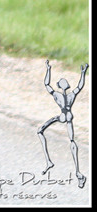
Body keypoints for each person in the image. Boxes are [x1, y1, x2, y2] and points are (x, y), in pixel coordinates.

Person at [38, 60, 88, 188]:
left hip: (62, 116)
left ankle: (51, 162)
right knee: (71, 141)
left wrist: (48, 69)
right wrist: (83, 73)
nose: (63, 81)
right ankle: (77, 172)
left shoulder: (58, 95)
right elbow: (79, 86)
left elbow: (47, 84)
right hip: (68, 115)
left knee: (40, 131)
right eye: (62, 81)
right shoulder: (70, 95)